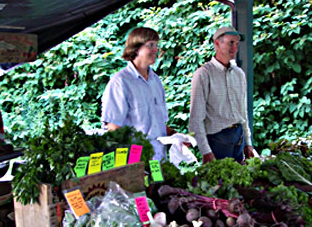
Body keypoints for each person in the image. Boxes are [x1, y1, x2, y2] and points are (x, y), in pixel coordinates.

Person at [101, 27, 176, 161]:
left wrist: (175, 135)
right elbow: (113, 129)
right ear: (136, 48)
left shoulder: (155, 81)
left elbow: (155, 124)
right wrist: (131, 163)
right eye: (151, 45)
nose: (155, 50)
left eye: (156, 45)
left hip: (160, 161)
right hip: (135, 162)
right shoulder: (120, 83)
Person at [189, 26, 254, 164]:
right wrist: (206, 152)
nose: (235, 48)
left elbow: (243, 112)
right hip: (216, 143)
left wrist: (248, 143)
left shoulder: (239, 74)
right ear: (217, 44)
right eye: (230, 43)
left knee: (239, 183)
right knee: (218, 184)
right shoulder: (203, 74)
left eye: (236, 44)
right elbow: (195, 119)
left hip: (238, 139)